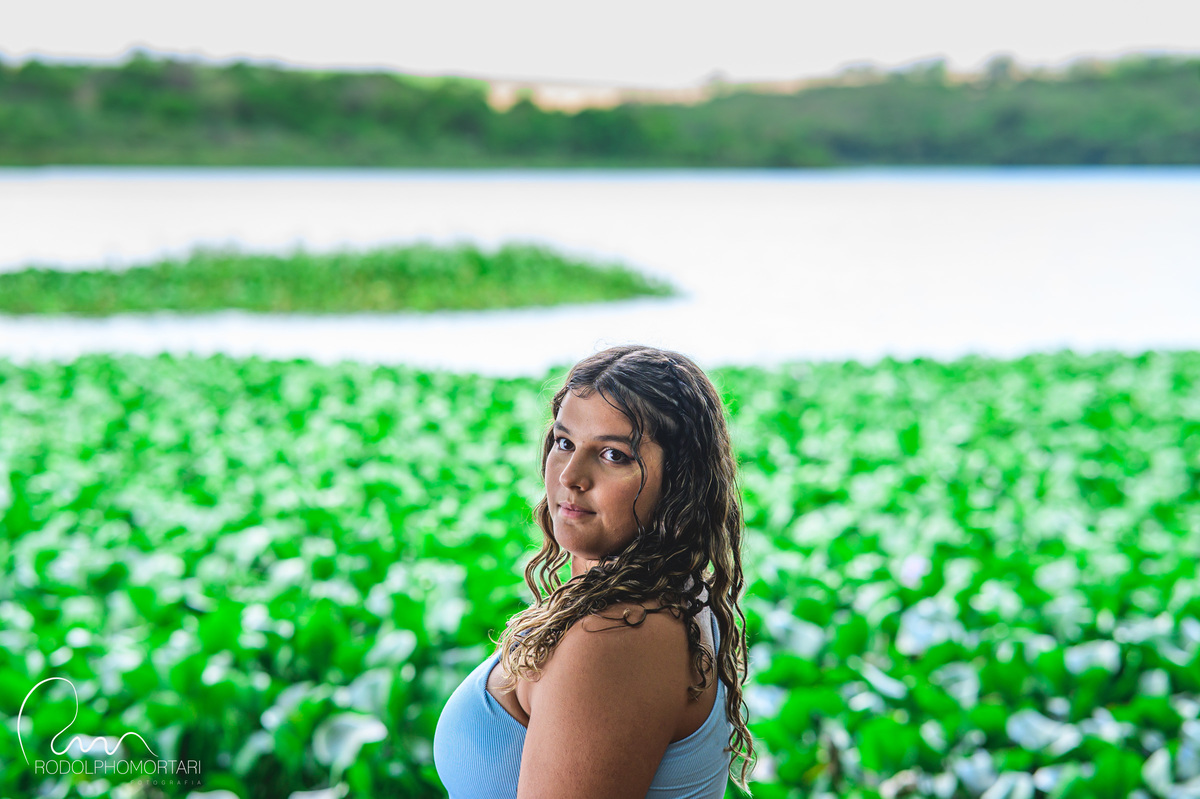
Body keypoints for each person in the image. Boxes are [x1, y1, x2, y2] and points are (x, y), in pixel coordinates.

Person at [434, 345, 754, 798]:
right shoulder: (665, 591)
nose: (570, 476)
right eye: (564, 443)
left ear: (679, 482)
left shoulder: (619, 632)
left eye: (613, 455)